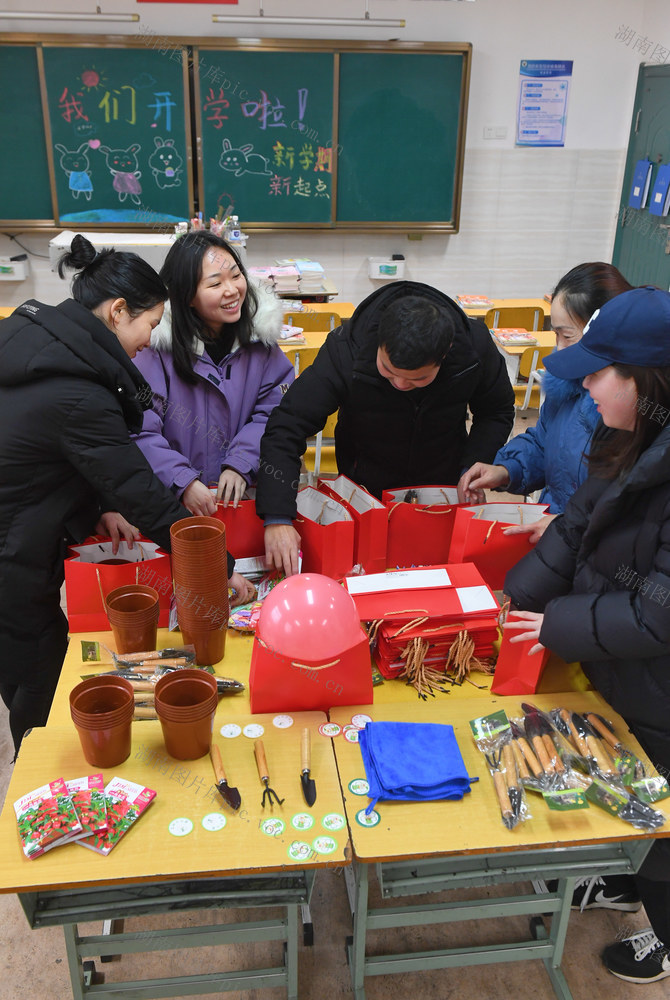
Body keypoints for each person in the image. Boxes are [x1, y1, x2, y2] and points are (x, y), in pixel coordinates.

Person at [0, 235, 248, 754]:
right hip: (11, 550)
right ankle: (38, 772)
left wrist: (98, 505)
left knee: (28, 653)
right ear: (117, 312)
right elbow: (140, 491)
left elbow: (44, 448)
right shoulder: (79, 392)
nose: (149, 340)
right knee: (37, 665)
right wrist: (217, 565)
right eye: (150, 324)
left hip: (20, 525)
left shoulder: (35, 340)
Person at [504, 286, 670, 984]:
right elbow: (575, 527)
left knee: (663, 821)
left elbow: (659, 612)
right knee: (634, 803)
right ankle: (627, 880)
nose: (588, 389)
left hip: (659, 684)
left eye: (599, 374)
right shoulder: (628, 433)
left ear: (648, 380)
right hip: (622, 671)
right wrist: (512, 599)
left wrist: (557, 625)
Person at [256, 280, 516, 576]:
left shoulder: (474, 349)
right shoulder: (346, 350)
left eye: (418, 379)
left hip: (442, 488)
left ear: (444, 355)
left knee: (432, 580)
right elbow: (287, 426)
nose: (401, 385)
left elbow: (496, 411)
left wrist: (473, 466)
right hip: (365, 487)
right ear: (380, 342)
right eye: (388, 371)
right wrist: (277, 516)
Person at [460, 262, 633, 542]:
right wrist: (505, 469)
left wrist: (567, 526)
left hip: (589, 543)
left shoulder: (628, 409)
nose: (559, 349)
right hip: (554, 535)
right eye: (555, 335)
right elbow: (544, 443)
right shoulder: (567, 384)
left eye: (567, 336)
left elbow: (627, 510)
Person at [132, 231, 294, 517]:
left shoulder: (262, 343)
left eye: (236, 275)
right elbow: (139, 429)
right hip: (174, 507)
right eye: (215, 283)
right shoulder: (154, 349)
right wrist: (182, 480)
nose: (231, 290)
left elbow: (276, 414)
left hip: (241, 503)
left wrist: (241, 462)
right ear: (187, 296)